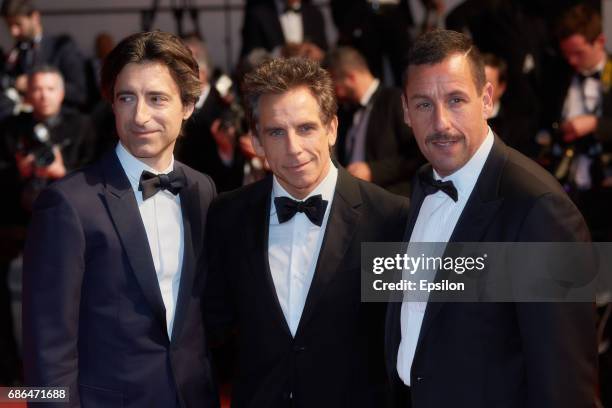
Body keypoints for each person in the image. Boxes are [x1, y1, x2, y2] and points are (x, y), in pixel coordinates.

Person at [385, 29, 597, 407]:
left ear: (486, 99)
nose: (441, 123)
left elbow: (565, 382)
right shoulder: (420, 188)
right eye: (423, 105)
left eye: (456, 100)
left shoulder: (539, 208)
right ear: (405, 111)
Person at [22, 31, 218, 408]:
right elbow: (46, 350)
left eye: (157, 98)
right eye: (126, 98)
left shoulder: (202, 190)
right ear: (111, 104)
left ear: (188, 105)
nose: (139, 116)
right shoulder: (68, 205)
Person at [205, 57, 409, 407]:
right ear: (255, 141)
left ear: (331, 128)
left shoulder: (388, 219)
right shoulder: (228, 216)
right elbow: (212, 327)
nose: (293, 148)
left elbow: (409, 337)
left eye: (306, 128)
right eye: (275, 132)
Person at [327, 46, 421, 195]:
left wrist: (373, 171)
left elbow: (417, 156)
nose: (334, 93)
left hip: (392, 200)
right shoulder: (346, 111)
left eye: (335, 85)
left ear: (350, 78)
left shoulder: (395, 100)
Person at [1, 0, 87, 109]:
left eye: (18, 24)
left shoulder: (62, 46)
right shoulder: (16, 52)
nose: (14, 32)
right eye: (9, 26)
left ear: (35, 17)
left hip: (60, 119)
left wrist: (38, 85)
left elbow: (80, 93)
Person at [240, 0, 327, 62]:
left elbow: (325, 51)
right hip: (273, 81)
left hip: (308, 81)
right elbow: (248, 58)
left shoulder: (314, 13)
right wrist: (280, 52)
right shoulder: (258, 14)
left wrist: (315, 52)